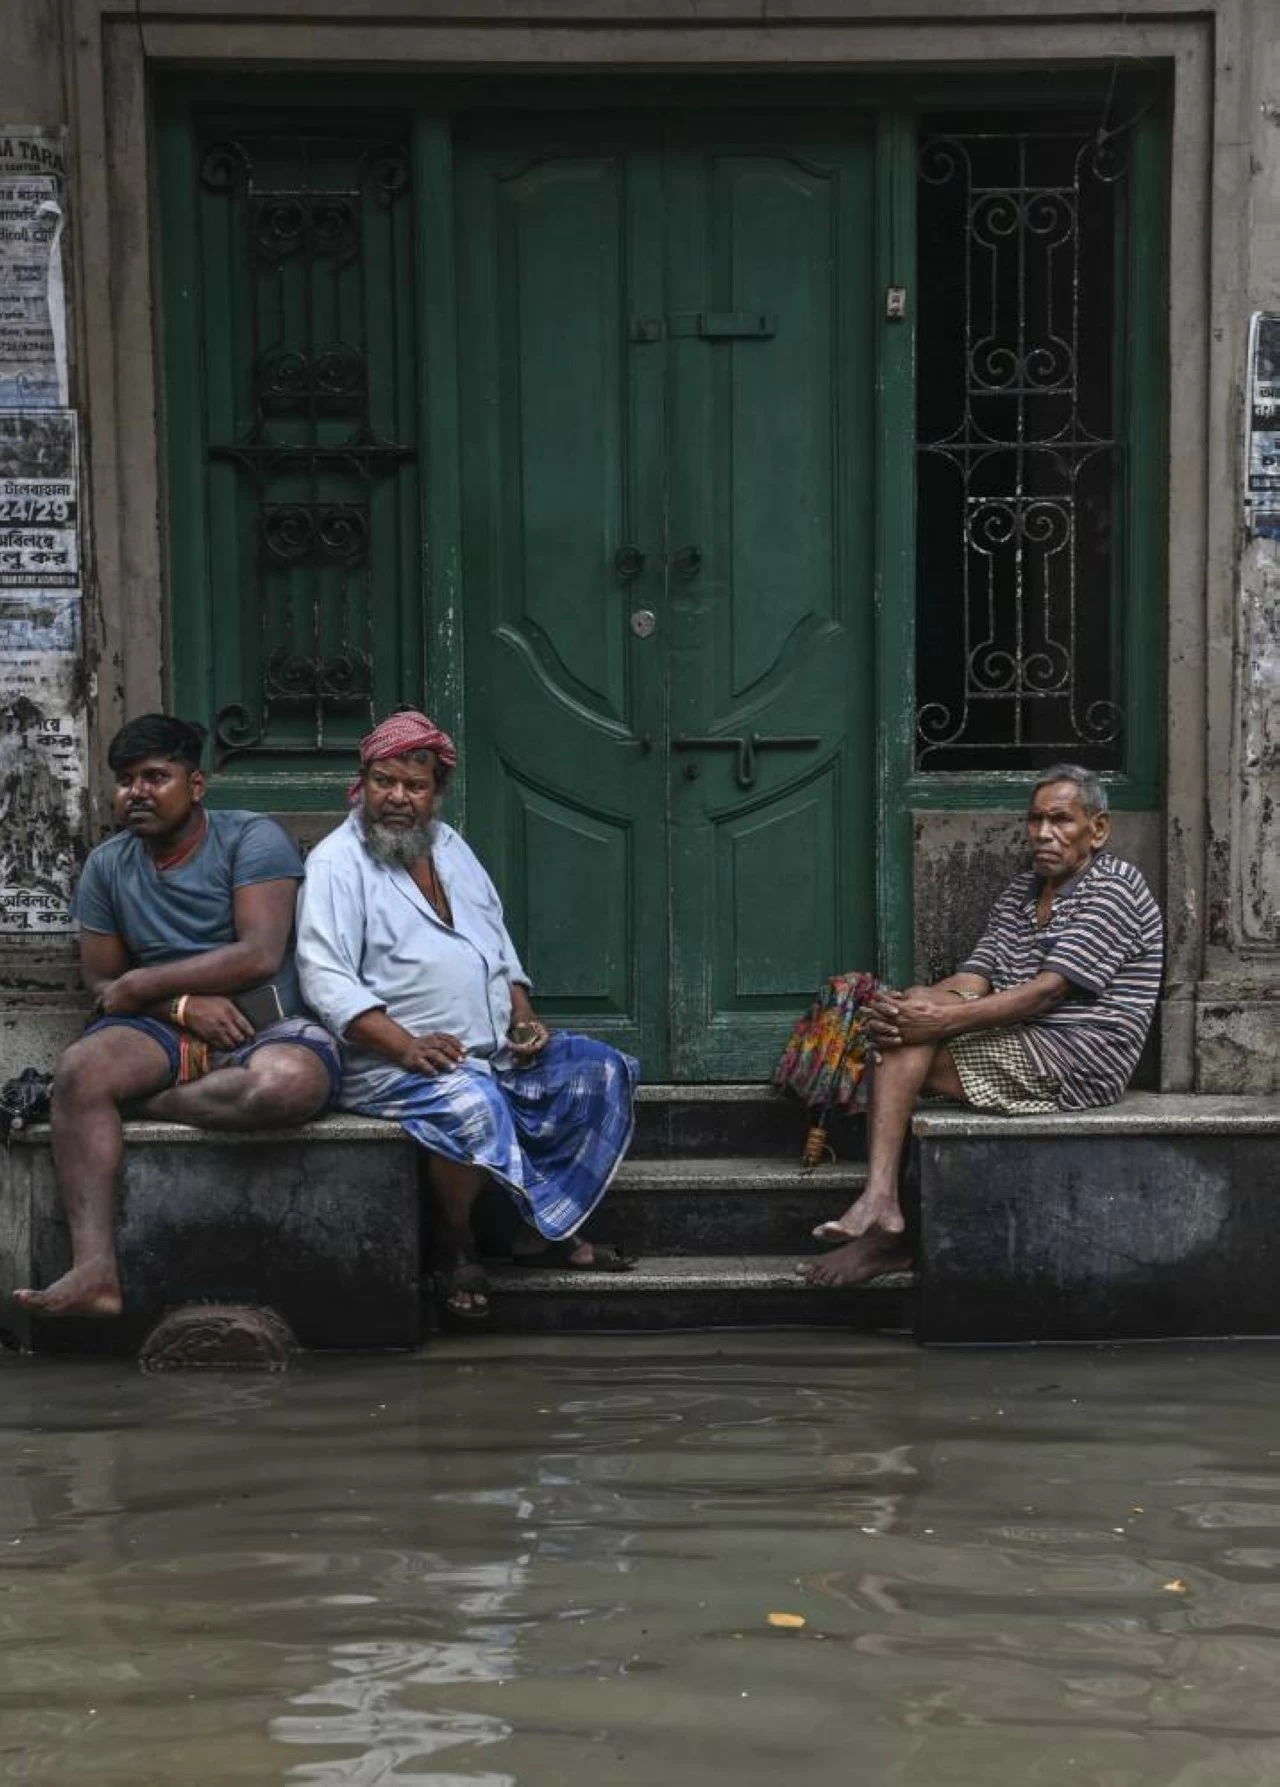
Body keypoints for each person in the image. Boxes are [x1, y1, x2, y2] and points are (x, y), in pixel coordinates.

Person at [295, 710, 639, 1323]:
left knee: (600, 1072)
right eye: (384, 782)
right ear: (362, 783)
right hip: (390, 1064)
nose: (398, 798)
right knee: (471, 1102)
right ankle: (457, 1245)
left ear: (437, 794)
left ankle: (538, 1231)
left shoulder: (449, 847)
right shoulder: (335, 864)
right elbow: (325, 978)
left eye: (415, 786)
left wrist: (523, 1013)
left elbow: (494, 939)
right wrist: (403, 1045)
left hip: (490, 1049)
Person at [14, 714, 340, 1318]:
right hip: (163, 1027)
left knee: (290, 1084)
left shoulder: (252, 838)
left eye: (156, 776)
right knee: (82, 1070)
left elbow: (259, 953)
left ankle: (139, 1105)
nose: (136, 792)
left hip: (262, 1024)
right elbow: (104, 984)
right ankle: (94, 1270)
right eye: (125, 779)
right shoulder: (107, 866)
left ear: (195, 785)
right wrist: (178, 1003)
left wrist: (145, 982)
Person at [803, 764, 1164, 1290]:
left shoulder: (1116, 887)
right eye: (1035, 819)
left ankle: (883, 1211)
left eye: (1060, 820)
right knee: (906, 1019)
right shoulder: (1025, 889)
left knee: (911, 1036)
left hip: (1078, 1060)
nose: (1043, 833)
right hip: (1021, 1038)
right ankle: (883, 1214)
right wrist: (911, 1003)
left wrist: (935, 1019)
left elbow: (1048, 991)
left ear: (1098, 830)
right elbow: (977, 977)